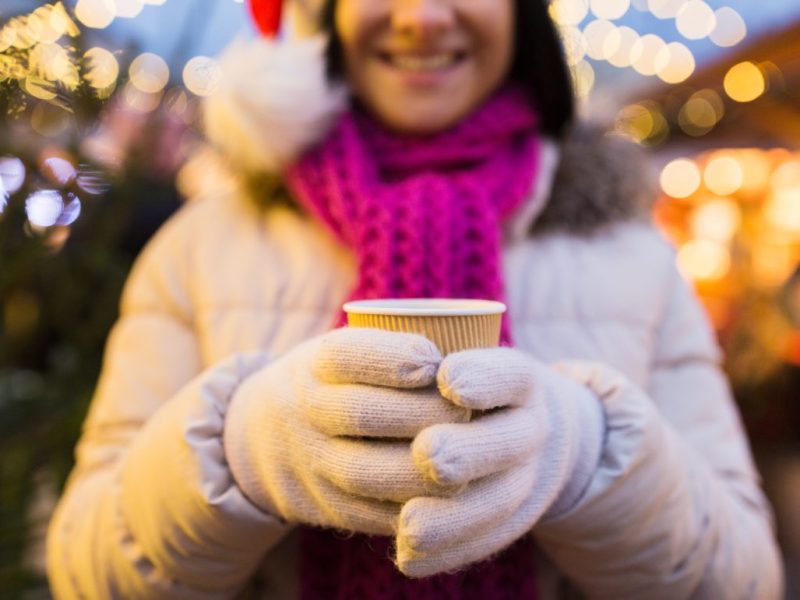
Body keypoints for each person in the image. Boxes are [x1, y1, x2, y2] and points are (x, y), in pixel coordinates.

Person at [46, 0, 784, 598]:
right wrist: (238, 453)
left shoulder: (632, 253)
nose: (422, 16)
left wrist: (588, 453)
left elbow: (746, 578)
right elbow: (86, 569)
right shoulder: (205, 242)